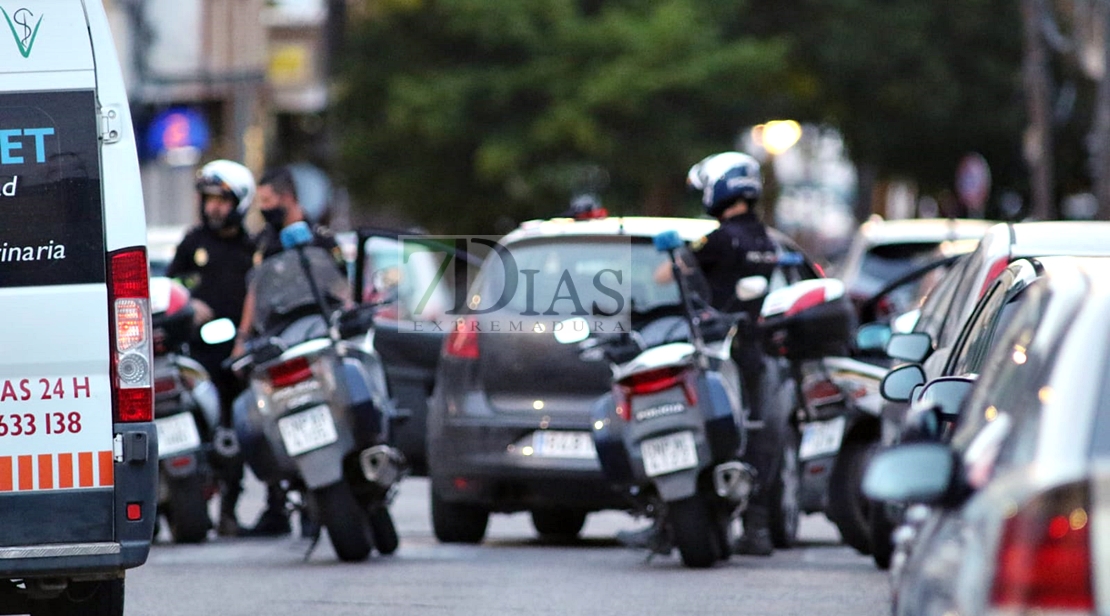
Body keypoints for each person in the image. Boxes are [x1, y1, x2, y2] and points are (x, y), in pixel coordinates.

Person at [647, 151, 783, 556]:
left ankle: (669, 525)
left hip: (719, 352)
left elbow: (663, 275)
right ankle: (755, 528)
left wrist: (682, 259)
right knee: (755, 436)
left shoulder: (720, 238)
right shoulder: (764, 238)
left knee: (699, 429)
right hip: (754, 351)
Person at [232, 165, 346, 537]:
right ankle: (284, 498)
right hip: (279, 341)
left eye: (269, 202)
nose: (264, 209)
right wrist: (242, 339)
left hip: (320, 333)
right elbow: (254, 292)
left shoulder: (321, 239)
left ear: (289, 198)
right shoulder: (266, 244)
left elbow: (342, 286)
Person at [165, 159, 258, 537]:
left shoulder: (253, 249)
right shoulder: (192, 244)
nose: (213, 208)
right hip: (195, 356)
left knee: (235, 434)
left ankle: (231, 511)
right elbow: (169, 287)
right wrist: (188, 301)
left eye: (221, 200)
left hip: (236, 358)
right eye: (208, 199)